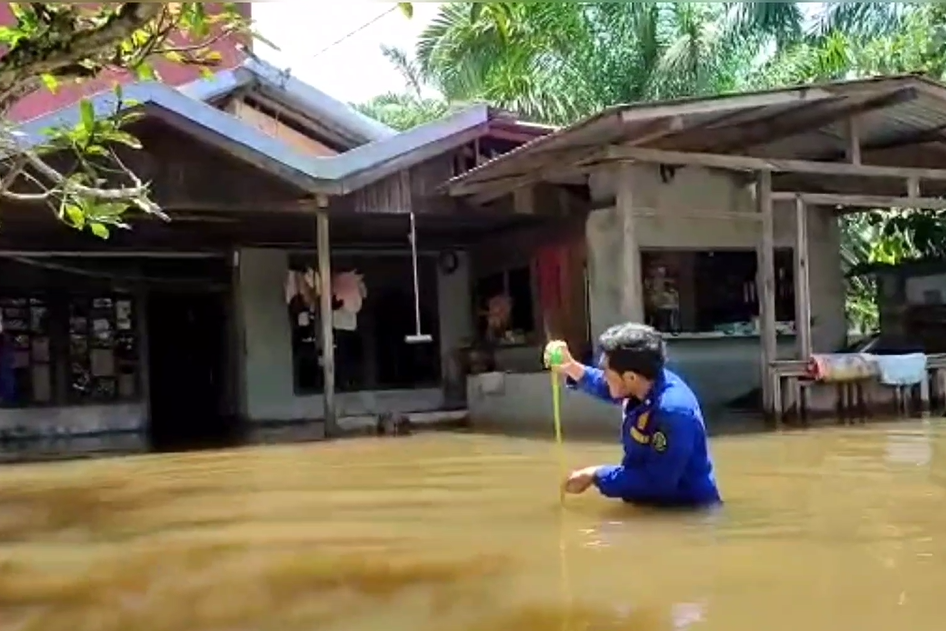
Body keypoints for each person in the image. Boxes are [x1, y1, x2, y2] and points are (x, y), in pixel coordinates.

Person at [544, 323, 721, 508]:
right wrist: (571, 367)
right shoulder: (644, 381)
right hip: (653, 505)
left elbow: (657, 483)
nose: (603, 376)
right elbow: (608, 386)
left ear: (630, 377)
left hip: (684, 511)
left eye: (606, 371)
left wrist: (597, 475)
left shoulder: (673, 413)